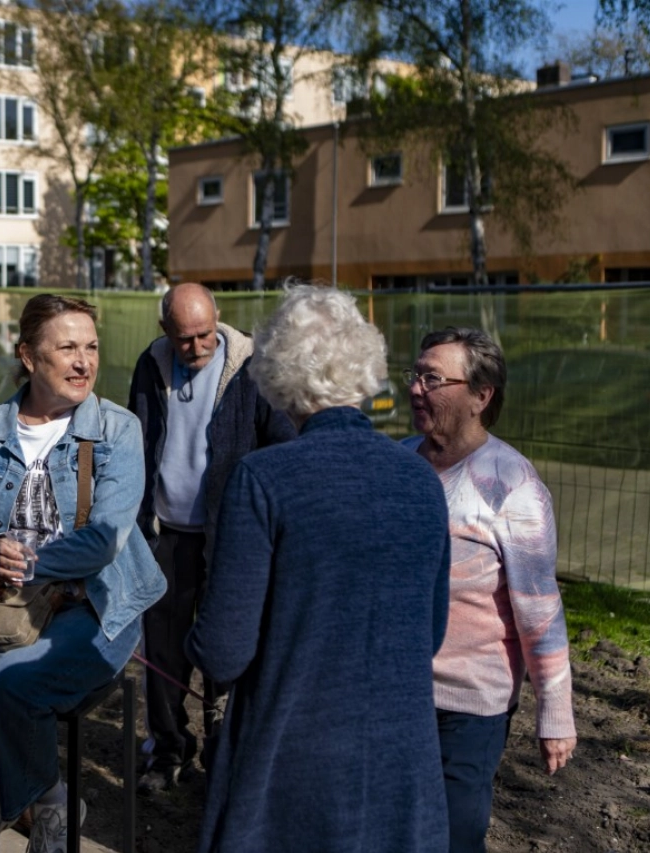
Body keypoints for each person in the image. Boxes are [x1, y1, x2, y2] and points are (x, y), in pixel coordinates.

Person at [186, 284, 452, 851]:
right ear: (366, 366)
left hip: (293, 759)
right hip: (402, 760)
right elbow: (428, 633)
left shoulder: (263, 479)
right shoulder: (421, 482)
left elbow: (223, 650)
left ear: (279, 376)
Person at [0, 293, 166, 853]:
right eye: (67, 348)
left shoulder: (117, 429)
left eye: (90, 347)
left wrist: (22, 563)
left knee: (9, 688)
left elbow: (105, 540)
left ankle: (49, 808)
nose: (84, 361)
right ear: (28, 357)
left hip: (90, 605)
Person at [402, 327, 577, 853]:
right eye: (415, 374)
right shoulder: (400, 465)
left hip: (470, 702)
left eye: (433, 378)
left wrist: (556, 714)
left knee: (453, 836)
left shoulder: (513, 486)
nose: (415, 388)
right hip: (396, 688)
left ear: (481, 396)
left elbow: (538, 608)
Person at [127, 282, 294, 792]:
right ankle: (168, 748)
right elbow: (138, 437)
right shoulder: (150, 364)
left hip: (232, 535)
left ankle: (226, 745)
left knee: (228, 643)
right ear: (165, 332)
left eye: (204, 335)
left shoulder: (251, 365)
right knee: (163, 650)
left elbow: (282, 443)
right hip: (167, 533)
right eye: (184, 339)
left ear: (217, 320)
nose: (196, 347)